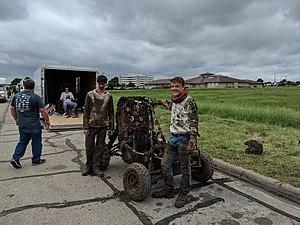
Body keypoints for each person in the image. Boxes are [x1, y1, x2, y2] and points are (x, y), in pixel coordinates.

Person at [152, 76, 199, 208]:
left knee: (185, 168)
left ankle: (183, 194)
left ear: (183, 87)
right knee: (164, 164)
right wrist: (157, 102)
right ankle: (168, 188)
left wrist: (192, 141)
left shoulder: (189, 101)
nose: (174, 89)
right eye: (172, 86)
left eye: (177, 86)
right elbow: (170, 105)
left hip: (184, 138)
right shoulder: (174, 100)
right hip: (172, 137)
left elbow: (194, 122)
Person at [10, 78, 50, 169]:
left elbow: (12, 109)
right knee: (36, 142)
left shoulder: (16, 96)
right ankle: (36, 160)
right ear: (33, 87)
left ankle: (15, 158)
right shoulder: (36, 97)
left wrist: (16, 118)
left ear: (24, 86)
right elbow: (43, 111)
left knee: (22, 142)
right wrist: (47, 121)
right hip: (34, 125)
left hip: (22, 124)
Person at [82, 75, 114, 177]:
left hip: (103, 126)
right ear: (97, 83)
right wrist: (85, 127)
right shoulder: (90, 95)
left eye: (103, 83)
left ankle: (96, 167)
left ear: (106, 84)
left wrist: (111, 127)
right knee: (89, 147)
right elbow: (86, 112)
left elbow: (111, 112)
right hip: (91, 126)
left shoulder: (109, 96)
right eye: (99, 83)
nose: (101, 85)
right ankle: (88, 166)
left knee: (100, 148)